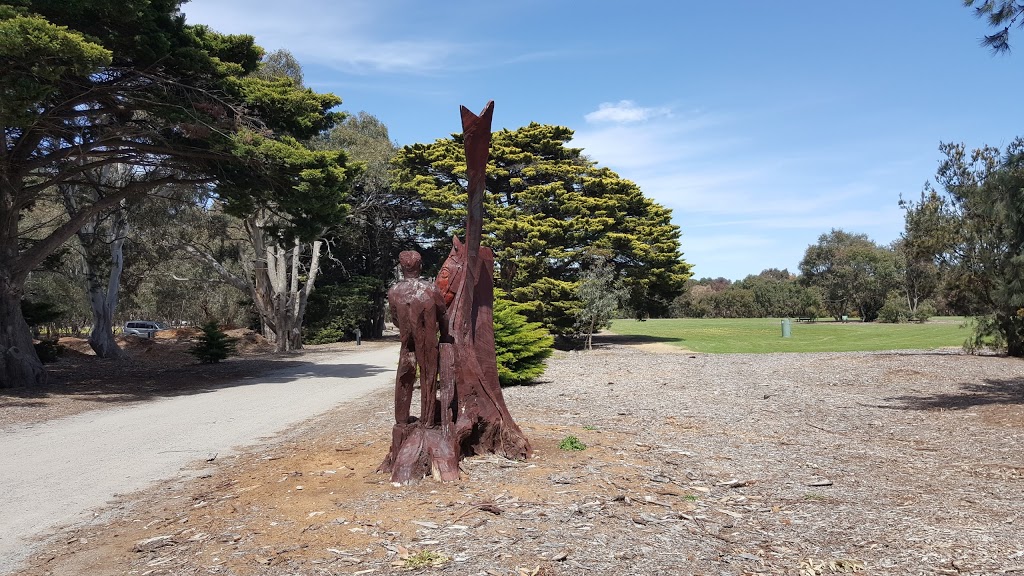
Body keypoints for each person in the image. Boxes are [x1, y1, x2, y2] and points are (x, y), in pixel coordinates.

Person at [388, 250, 449, 426]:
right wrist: (444, 335)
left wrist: (408, 328)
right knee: (428, 377)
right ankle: (427, 420)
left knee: (404, 375)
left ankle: (401, 420)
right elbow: (443, 315)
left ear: (401, 267)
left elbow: (395, 320)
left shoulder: (394, 291)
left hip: (407, 343)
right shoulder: (430, 289)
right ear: (420, 266)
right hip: (428, 342)